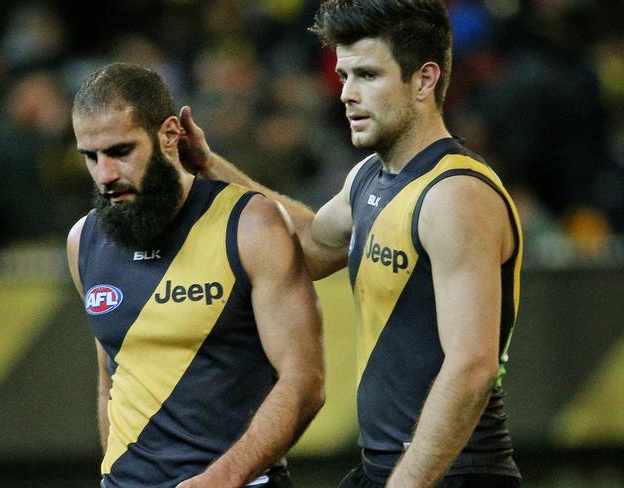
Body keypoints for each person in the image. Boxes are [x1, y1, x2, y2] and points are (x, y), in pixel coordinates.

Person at [177, 1, 523, 487]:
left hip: (453, 475)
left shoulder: (455, 196)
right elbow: (310, 246)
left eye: (367, 75)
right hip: (386, 470)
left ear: (424, 80)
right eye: (343, 76)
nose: (347, 94)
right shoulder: (370, 179)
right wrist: (210, 165)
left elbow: (472, 366)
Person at [66, 62, 325, 488]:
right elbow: (112, 374)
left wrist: (223, 478)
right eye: (90, 157)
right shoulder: (84, 241)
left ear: (170, 135)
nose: (105, 175)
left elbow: (305, 381)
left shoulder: (252, 224)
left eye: (120, 151)